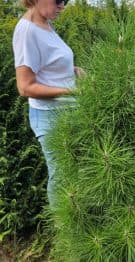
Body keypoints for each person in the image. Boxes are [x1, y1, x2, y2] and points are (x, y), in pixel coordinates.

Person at [12, 0, 85, 207]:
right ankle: (64, 231)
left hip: (66, 111)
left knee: (75, 172)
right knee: (62, 177)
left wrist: (72, 70)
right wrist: (72, 90)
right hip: (50, 117)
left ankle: (80, 227)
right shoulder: (27, 31)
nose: (63, 5)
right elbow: (25, 87)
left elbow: (46, 63)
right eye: (59, 0)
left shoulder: (45, 23)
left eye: (67, 1)